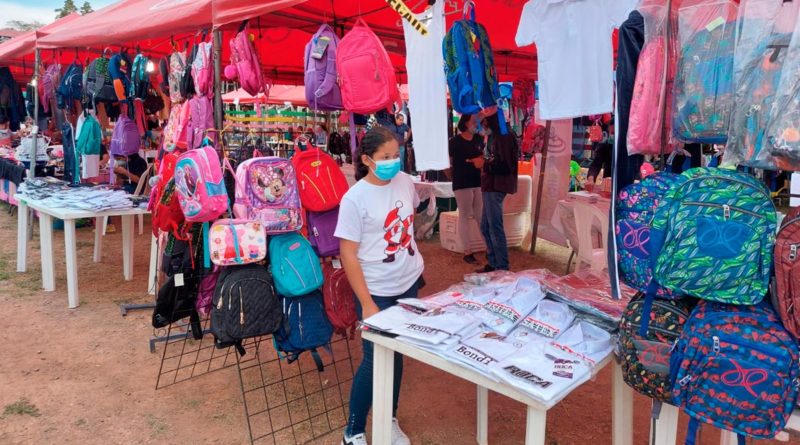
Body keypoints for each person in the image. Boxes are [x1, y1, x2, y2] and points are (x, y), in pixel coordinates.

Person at [335, 127, 422, 445]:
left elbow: (408, 221)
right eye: (385, 157)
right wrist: (367, 303)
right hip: (377, 292)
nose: (393, 162)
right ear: (367, 159)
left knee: (397, 354)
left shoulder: (405, 181)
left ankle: (389, 419)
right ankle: (353, 431)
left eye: (396, 155)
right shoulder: (354, 199)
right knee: (374, 358)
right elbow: (348, 254)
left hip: (408, 283)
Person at [477, 111, 518, 273]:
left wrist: (484, 165)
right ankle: (494, 263)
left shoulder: (504, 136)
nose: (482, 125)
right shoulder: (497, 135)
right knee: (486, 227)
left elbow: (505, 166)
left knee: (494, 227)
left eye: (484, 121)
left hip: (496, 185)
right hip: (490, 184)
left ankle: (501, 267)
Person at [448, 114, 485, 265]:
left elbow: (483, 158)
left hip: (477, 181)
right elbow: (448, 162)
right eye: (473, 121)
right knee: (464, 215)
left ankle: (488, 248)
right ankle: (467, 251)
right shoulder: (454, 142)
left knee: (480, 215)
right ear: (465, 123)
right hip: (461, 182)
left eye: (477, 121)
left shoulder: (479, 139)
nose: (476, 124)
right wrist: (453, 177)